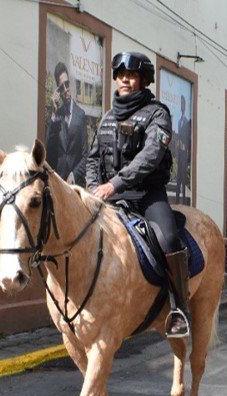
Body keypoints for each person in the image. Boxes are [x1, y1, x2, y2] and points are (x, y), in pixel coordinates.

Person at [85, 51, 189, 338]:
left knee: (168, 240)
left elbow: (151, 155)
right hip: (110, 197)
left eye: (130, 75)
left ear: (143, 80)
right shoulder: (107, 118)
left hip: (146, 195)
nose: (124, 80)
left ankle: (179, 308)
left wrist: (115, 184)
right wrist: (93, 188)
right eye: (120, 75)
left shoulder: (158, 114)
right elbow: (92, 158)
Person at [45, 61, 89, 187]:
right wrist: (54, 112)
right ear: (58, 91)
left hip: (76, 184)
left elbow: (86, 155)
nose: (65, 90)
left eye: (67, 84)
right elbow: (49, 149)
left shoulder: (80, 115)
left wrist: (74, 174)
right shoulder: (57, 116)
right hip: (58, 183)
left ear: (70, 84)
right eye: (61, 87)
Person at [173, 95, 191, 204]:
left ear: (186, 106)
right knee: (178, 180)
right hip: (179, 155)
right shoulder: (179, 121)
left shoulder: (188, 122)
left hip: (185, 155)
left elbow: (189, 139)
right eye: (181, 104)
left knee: (183, 180)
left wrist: (187, 152)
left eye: (183, 104)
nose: (182, 106)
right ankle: (176, 201)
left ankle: (184, 201)